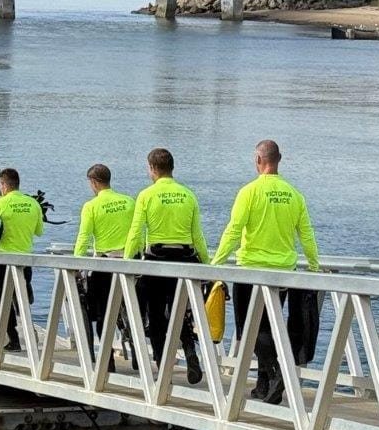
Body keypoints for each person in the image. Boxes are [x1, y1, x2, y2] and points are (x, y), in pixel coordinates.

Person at [211, 139, 320, 405]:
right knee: (270, 327)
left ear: (258, 160)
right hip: (283, 272)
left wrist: (216, 265)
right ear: (279, 159)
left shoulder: (249, 192)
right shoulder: (294, 194)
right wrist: (314, 267)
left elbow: (234, 231)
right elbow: (306, 235)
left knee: (250, 329)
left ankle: (276, 373)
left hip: (251, 271)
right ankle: (263, 386)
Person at [124, 148, 208, 384]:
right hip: (184, 259)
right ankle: (191, 354)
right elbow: (197, 236)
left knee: (157, 316)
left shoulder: (146, 195)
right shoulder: (188, 195)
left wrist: (129, 260)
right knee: (181, 311)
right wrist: (209, 266)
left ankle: (163, 367)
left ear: (152, 168)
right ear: (173, 168)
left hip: (157, 261)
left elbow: (135, 233)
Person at [73, 164, 135, 371]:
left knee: (101, 314)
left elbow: (83, 238)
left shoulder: (91, 206)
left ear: (93, 182)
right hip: (127, 265)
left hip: (104, 265)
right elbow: (138, 232)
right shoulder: (128, 201)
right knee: (132, 311)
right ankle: (137, 354)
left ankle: (107, 359)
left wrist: (76, 263)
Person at [0, 168, 44, 352]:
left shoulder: (0, 204)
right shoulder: (33, 204)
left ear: (4, 185)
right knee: (20, 296)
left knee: (0, 295)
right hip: (25, 260)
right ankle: (29, 330)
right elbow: (39, 232)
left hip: (2, 260)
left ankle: (13, 338)